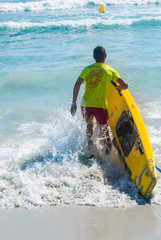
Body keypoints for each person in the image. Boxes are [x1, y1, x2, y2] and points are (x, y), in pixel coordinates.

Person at [70, 46, 128, 154]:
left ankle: (90, 148)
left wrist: (74, 103)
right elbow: (124, 85)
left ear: (93, 57)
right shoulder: (110, 70)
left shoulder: (87, 69)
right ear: (106, 56)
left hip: (86, 105)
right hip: (101, 106)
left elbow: (77, 84)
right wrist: (117, 87)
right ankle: (107, 157)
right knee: (104, 131)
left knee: (89, 125)